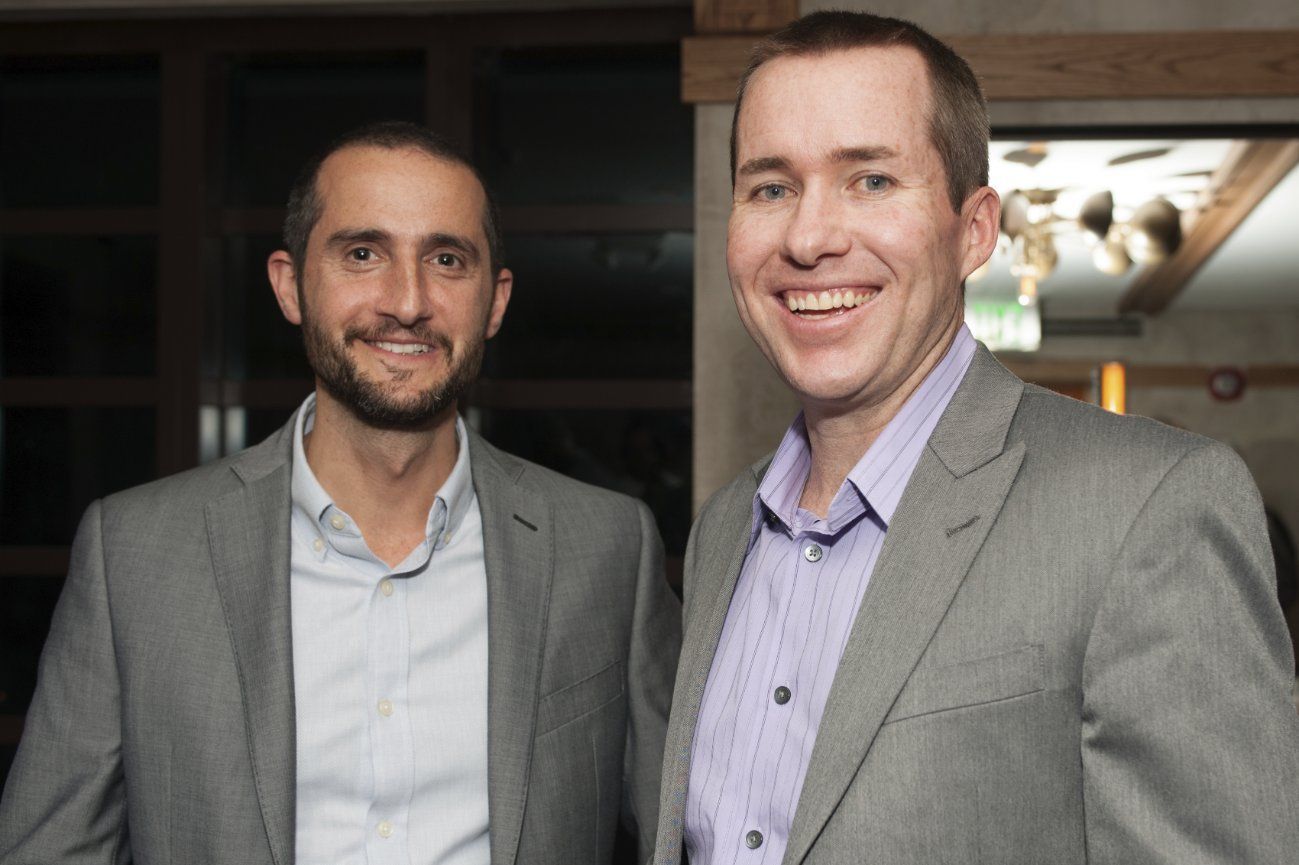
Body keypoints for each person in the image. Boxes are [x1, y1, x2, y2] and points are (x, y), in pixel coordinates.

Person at [651, 11, 1299, 865]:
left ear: (975, 230)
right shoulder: (724, 528)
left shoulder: (1151, 506)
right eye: (770, 188)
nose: (808, 239)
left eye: (871, 180)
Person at [0, 121, 681, 865]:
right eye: (363, 254)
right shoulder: (134, 555)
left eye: (447, 259)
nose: (408, 301)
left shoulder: (606, 548)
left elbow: (677, 833)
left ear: (494, 300)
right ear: (291, 284)